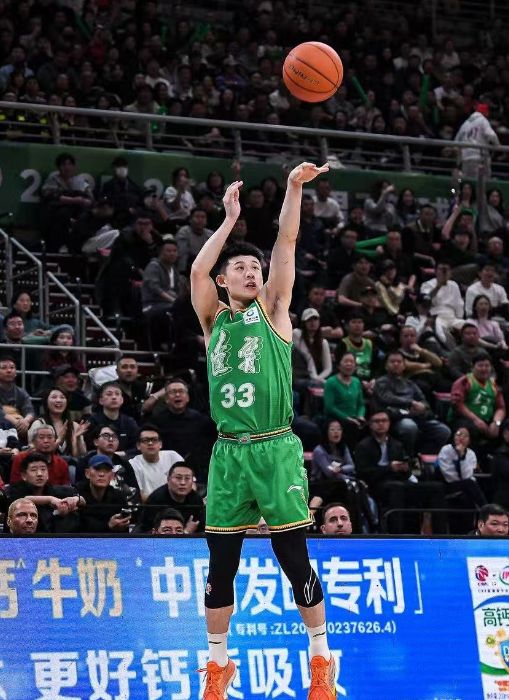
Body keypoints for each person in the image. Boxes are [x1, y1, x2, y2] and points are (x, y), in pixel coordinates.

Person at [190, 163, 337, 697]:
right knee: (221, 565)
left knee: (293, 559)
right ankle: (217, 666)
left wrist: (294, 188)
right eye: (241, 268)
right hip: (229, 453)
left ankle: (321, 660)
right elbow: (196, 271)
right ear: (224, 280)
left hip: (275, 448)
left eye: (256, 267)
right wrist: (229, 221)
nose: (252, 272)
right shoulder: (214, 320)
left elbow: (287, 242)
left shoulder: (274, 310)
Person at [355, 411, 447, 534]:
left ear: (389, 423)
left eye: (384, 421)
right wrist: (389, 468)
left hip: (399, 482)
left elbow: (405, 468)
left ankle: (441, 534)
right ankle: (396, 534)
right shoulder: (363, 446)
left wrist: (405, 469)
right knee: (396, 487)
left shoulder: (396, 444)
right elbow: (363, 472)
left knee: (437, 487)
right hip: (377, 485)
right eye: (377, 421)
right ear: (370, 425)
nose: (381, 424)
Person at [373, 351, 451, 456]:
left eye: (399, 362)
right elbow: (387, 398)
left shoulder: (410, 384)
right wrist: (411, 403)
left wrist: (422, 408)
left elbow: (423, 401)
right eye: (392, 361)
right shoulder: (381, 382)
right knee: (409, 426)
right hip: (395, 418)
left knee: (443, 431)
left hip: (415, 416)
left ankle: (423, 456)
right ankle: (407, 457)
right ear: (386, 365)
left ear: (404, 365)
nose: (396, 364)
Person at [147, 378, 216, 482]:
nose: (177, 395)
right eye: (173, 392)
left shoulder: (201, 420)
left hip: (197, 471)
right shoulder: (156, 421)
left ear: (187, 397)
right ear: (166, 399)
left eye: (181, 391)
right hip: (166, 470)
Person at [5, 452, 81, 532]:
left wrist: (76, 499)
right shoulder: (14, 491)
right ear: (24, 475)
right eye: (34, 470)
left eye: (43, 469)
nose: (39, 474)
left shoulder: (56, 490)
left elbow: (82, 499)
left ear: (48, 474)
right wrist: (49, 499)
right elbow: (22, 500)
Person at [449, 353, 506, 442]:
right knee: (470, 428)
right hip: (465, 420)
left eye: (487, 366)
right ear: (472, 367)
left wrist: (496, 423)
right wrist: (476, 420)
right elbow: (457, 404)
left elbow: (501, 407)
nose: (484, 369)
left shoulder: (493, 385)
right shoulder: (464, 382)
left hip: (488, 420)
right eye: (480, 366)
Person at [437, 428, 487, 521]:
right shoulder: (446, 450)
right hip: (449, 484)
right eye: (458, 434)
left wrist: (462, 456)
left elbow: (466, 475)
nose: (461, 437)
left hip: (466, 485)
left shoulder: (471, 454)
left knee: (468, 495)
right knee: (470, 484)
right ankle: (486, 510)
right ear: (454, 437)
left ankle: (482, 517)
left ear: (469, 441)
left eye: (465, 436)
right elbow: (448, 476)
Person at [140, 461, 204, 532]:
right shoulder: (155, 500)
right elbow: (146, 530)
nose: (182, 483)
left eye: (187, 478)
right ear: (168, 479)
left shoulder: (196, 499)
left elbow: (202, 529)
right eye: (178, 478)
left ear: (193, 481)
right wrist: (186, 532)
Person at [76, 454, 131, 533]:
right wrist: (108, 526)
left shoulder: (119, 496)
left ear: (112, 476)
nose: (101, 474)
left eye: (106, 470)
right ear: (87, 473)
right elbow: (76, 528)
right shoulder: (77, 494)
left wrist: (122, 523)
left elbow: (125, 530)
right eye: (97, 469)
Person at [28, 388, 89, 458]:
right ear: (46, 403)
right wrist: (59, 440)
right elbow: (33, 453)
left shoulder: (74, 426)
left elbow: (82, 456)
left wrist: (77, 438)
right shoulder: (38, 424)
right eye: (54, 397)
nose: (58, 400)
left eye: (62, 397)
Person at [129, 425, 183, 501]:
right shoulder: (132, 464)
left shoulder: (173, 456)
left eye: (154, 440)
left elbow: (191, 483)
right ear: (138, 445)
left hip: (178, 502)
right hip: (150, 505)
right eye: (145, 440)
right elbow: (139, 496)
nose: (150, 443)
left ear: (160, 444)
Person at [323, 353, 366, 446]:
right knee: (350, 427)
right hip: (336, 418)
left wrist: (360, 415)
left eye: (352, 362)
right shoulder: (331, 382)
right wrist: (347, 418)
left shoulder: (356, 381)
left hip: (354, 418)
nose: (349, 364)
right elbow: (329, 407)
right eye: (346, 361)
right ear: (339, 365)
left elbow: (361, 404)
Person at [420, 261, 464, 348]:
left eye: (446, 270)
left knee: (469, 327)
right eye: (441, 269)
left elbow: (459, 304)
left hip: (452, 317)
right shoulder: (427, 284)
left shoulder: (454, 285)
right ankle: (453, 351)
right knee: (441, 334)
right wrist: (438, 286)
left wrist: (459, 319)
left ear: (450, 272)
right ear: (436, 271)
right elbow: (425, 300)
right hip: (437, 316)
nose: (444, 272)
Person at [86, 382, 139, 453]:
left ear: (122, 400)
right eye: (109, 394)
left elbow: (137, 448)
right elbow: (88, 448)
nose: (114, 397)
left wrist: (120, 454)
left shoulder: (129, 422)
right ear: (101, 400)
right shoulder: (92, 421)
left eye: (117, 394)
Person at [454, 104, 500, 178]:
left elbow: (456, 142)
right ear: (486, 112)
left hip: (465, 158)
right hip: (478, 157)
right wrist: (498, 146)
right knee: (482, 180)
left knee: (465, 180)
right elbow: (491, 135)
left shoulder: (465, 123)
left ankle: (458, 184)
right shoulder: (482, 120)